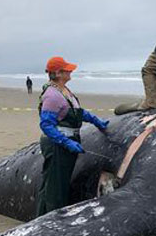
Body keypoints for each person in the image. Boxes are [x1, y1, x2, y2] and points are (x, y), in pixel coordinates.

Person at [36, 56, 110, 217]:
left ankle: (42, 217)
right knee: (56, 188)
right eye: (67, 70)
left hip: (67, 142)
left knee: (55, 183)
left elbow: (77, 112)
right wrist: (65, 142)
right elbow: (46, 124)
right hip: (58, 145)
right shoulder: (52, 95)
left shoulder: (64, 91)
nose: (71, 71)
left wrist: (95, 120)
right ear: (58, 73)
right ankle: (52, 221)